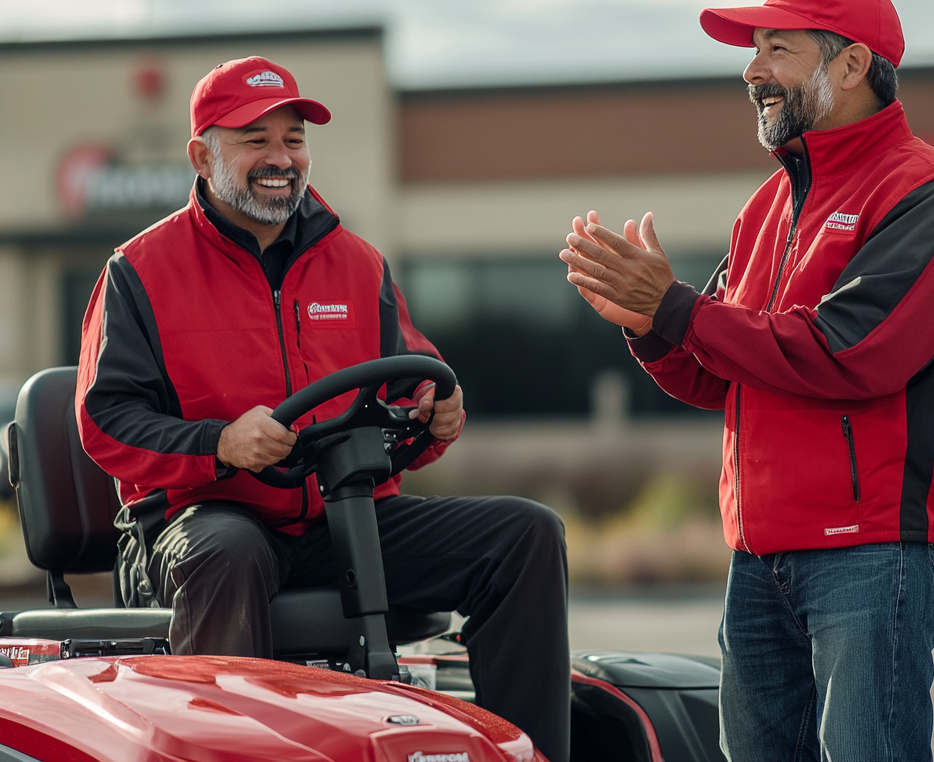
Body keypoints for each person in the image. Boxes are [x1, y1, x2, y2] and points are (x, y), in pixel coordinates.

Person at [559, 0, 934, 762]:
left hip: (872, 558)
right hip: (758, 560)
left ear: (852, 64)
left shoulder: (933, 198)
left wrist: (677, 308)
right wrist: (651, 329)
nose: (751, 69)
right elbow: (716, 375)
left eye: (777, 48)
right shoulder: (767, 207)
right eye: (754, 49)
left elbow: (850, 354)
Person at [76, 56, 569, 762]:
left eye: (294, 139)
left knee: (526, 535)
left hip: (342, 517)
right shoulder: (139, 271)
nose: (281, 158)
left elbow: (410, 384)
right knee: (230, 549)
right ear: (201, 153)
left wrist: (437, 414)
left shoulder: (358, 264)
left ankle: (533, 752)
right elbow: (104, 420)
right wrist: (219, 444)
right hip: (194, 523)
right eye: (255, 140)